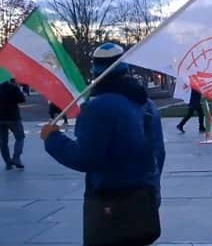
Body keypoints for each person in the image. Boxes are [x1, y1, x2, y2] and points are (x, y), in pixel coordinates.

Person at [41, 43, 165, 246]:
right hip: (145, 198)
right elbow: (159, 153)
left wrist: (53, 139)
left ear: (95, 71)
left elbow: (86, 157)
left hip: (111, 203)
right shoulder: (146, 104)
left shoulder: (97, 107)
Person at [0, 78, 26, 170]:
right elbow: (22, 99)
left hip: (0, 118)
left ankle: (8, 162)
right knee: (20, 137)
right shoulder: (12, 87)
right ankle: (16, 157)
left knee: (3, 141)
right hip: (13, 117)